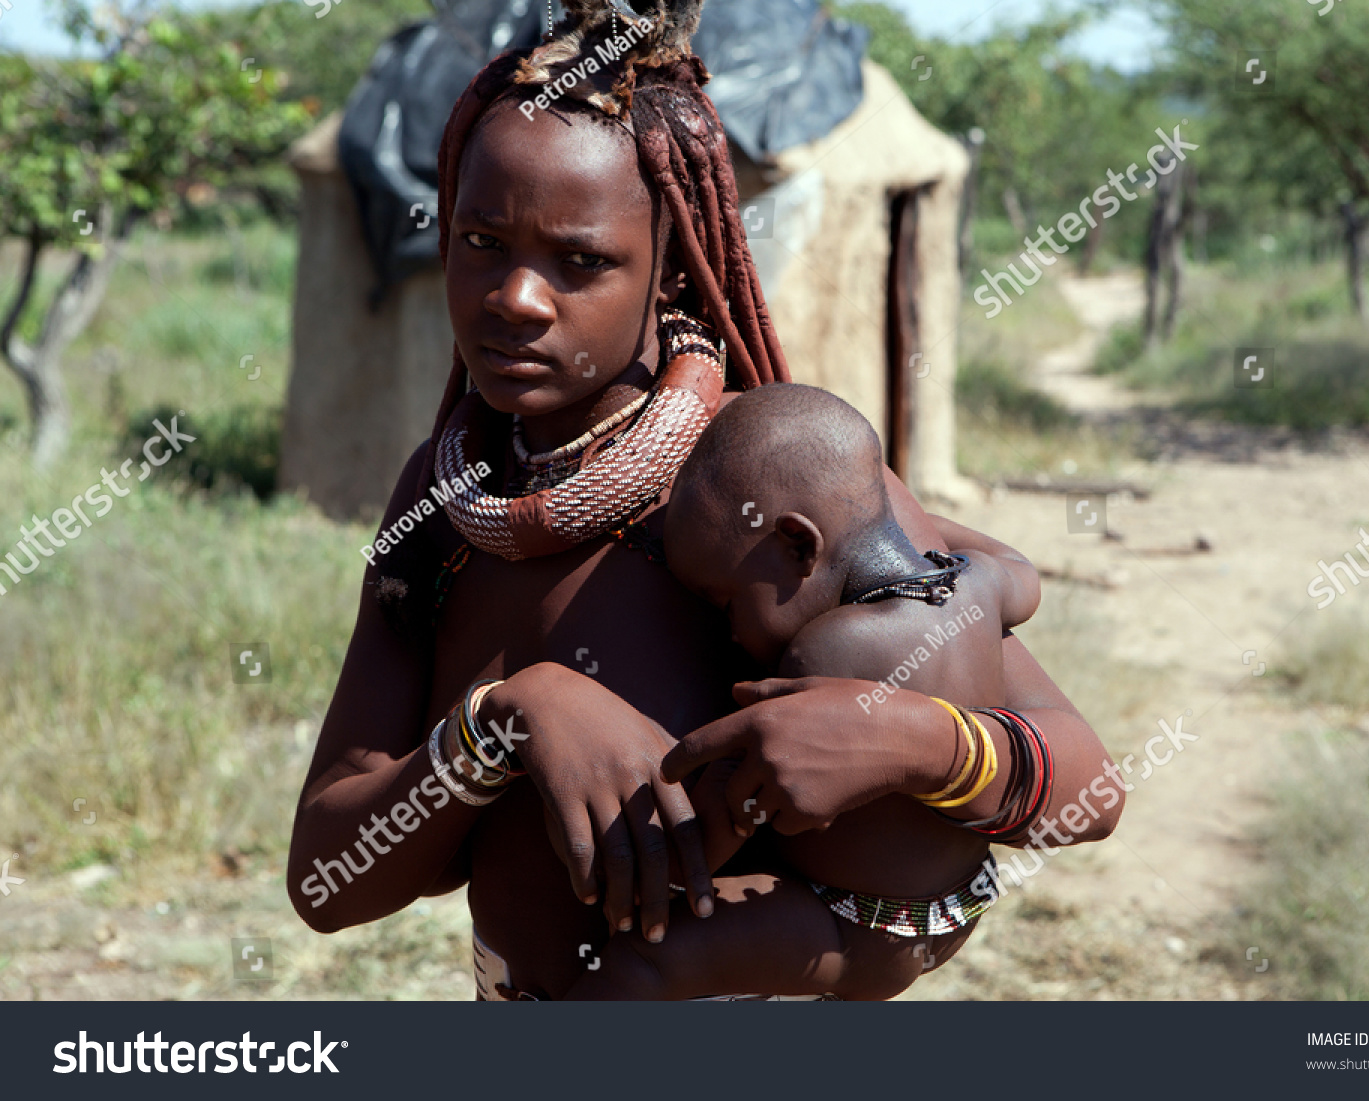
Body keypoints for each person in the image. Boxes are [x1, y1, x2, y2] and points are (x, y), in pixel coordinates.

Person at [287, 0, 1123, 1001]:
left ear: (673, 262)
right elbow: (327, 880)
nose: (515, 296)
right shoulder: (444, 502)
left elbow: (1091, 786)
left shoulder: (761, 491)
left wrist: (908, 741)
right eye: (479, 242)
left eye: (580, 259)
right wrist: (506, 720)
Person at [565, 382, 1049, 999]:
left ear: (799, 545)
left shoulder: (825, 654)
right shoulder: (977, 587)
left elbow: (735, 814)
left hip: (855, 927)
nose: (729, 632)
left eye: (726, 601)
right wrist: (885, 518)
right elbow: (1023, 574)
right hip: (962, 901)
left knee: (638, 965)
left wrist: (648, 864)